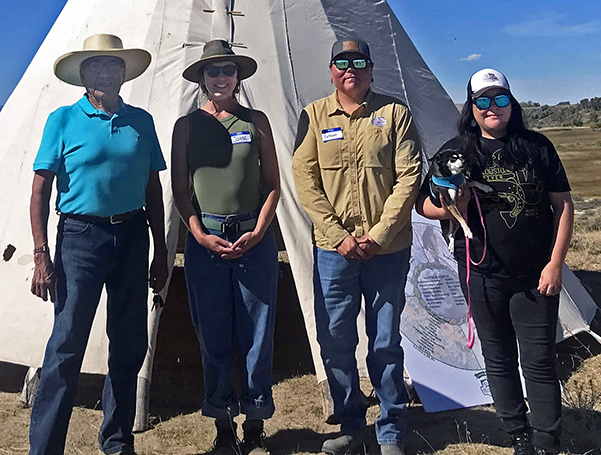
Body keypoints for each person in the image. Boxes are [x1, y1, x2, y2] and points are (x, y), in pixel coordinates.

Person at [416, 68, 573, 455]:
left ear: (511, 103)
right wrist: (452, 206)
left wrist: (555, 263)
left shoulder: (537, 147)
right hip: (481, 271)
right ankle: (517, 435)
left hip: (536, 274)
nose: (492, 108)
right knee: (498, 357)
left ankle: (546, 438)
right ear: (471, 107)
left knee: (538, 360)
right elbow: (424, 204)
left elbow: (563, 205)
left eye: (499, 99)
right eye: (482, 101)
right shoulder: (456, 150)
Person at [29, 34, 168, 455]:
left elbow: (153, 188)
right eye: (96, 67)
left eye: (113, 67)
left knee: (128, 343)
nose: (105, 73)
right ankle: (46, 447)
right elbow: (39, 189)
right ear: (83, 76)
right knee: (66, 344)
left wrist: (161, 250)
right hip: (79, 237)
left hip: (131, 235)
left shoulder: (141, 121)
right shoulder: (63, 119)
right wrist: (40, 253)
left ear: (124, 74)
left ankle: (117, 441)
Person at [292, 38, 422, 455]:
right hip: (334, 251)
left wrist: (379, 234)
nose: (351, 69)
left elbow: (409, 177)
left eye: (359, 61)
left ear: (371, 68)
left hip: (387, 250)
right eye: (342, 62)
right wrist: (339, 236)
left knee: (384, 339)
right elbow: (305, 179)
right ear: (331, 69)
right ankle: (350, 421)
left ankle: (390, 427)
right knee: (335, 337)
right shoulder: (313, 116)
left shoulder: (395, 113)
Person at [171, 40, 280, 455]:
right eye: (213, 71)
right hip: (207, 243)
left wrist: (259, 230)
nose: (221, 77)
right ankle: (222, 426)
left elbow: (272, 184)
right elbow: (181, 191)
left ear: (238, 77)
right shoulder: (186, 126)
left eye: (228, 71)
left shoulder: (256, 121)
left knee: (257, 333)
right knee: (212, 333)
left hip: (254, 240)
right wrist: (197, 234)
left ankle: (254, 425)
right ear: (202, 78)